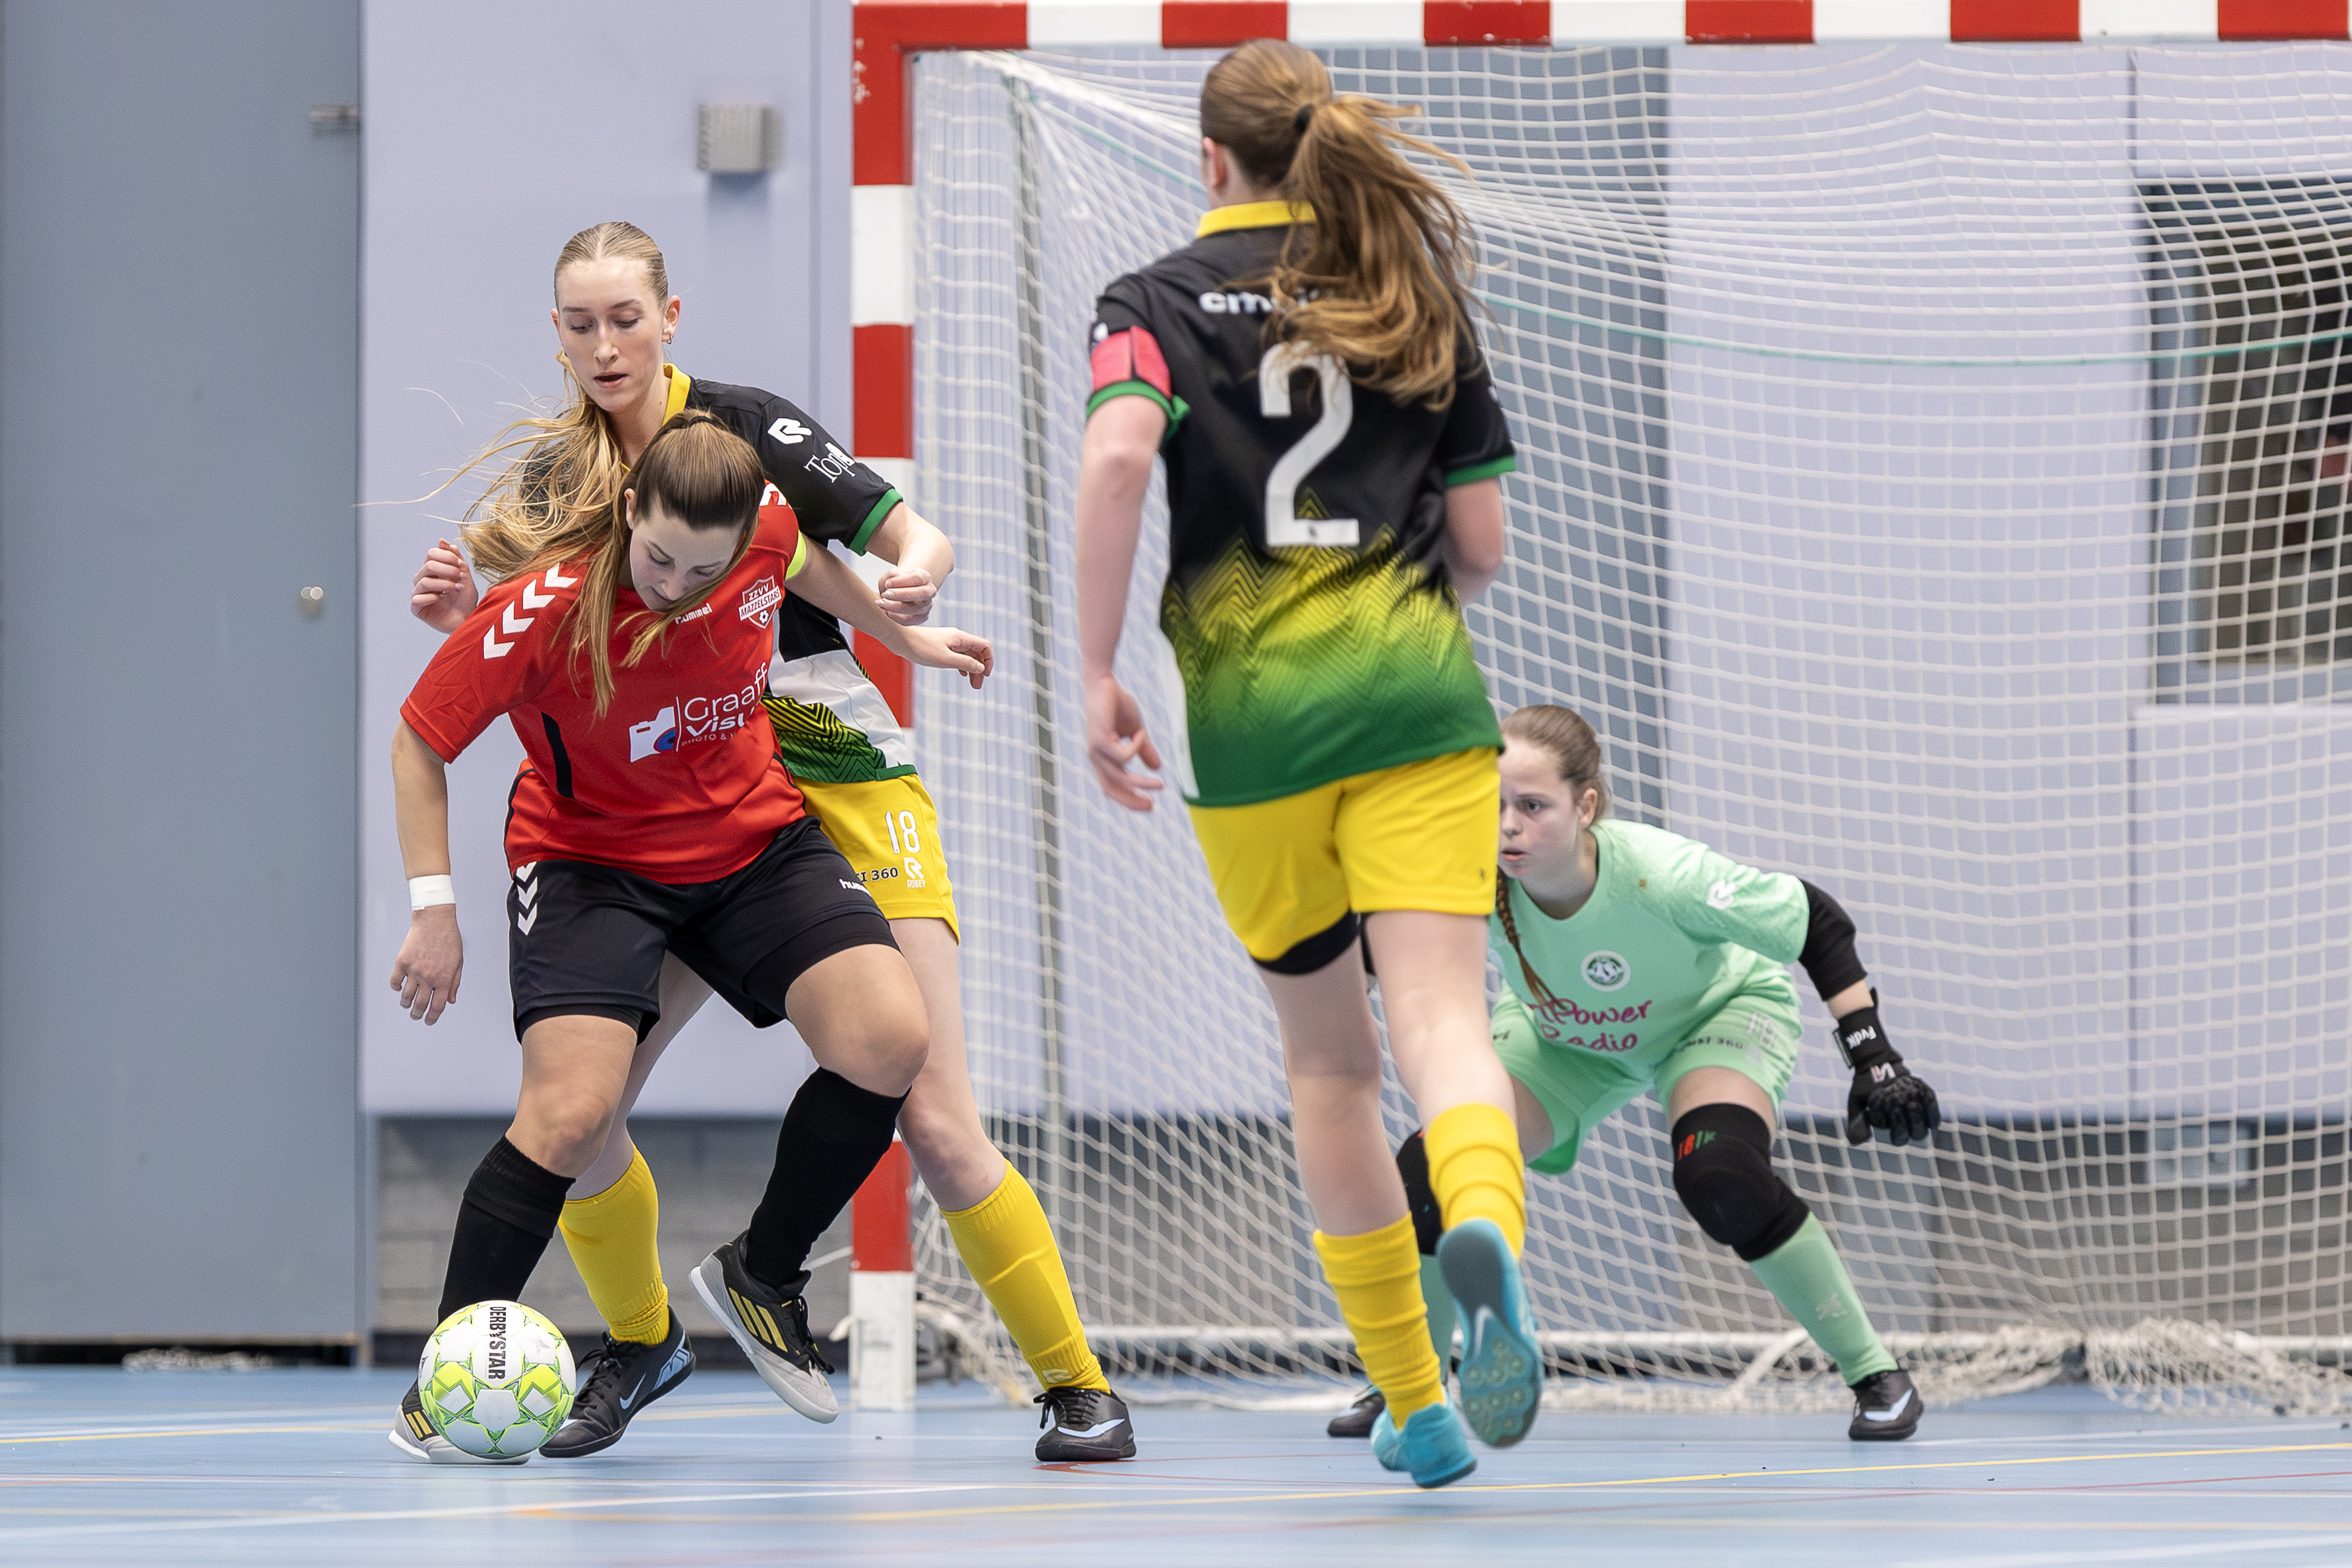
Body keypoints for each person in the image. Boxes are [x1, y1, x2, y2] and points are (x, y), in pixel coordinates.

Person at [406, 220, 1134, 1462]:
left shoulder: (750, 433)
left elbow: (893, 541)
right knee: (583, 1110)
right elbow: (480, 641)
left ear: (669, 315)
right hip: (653, 798)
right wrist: (457, 608)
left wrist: (916, 601)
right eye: (579, 325)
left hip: (818, 757)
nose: (603, 344)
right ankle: (639, 1345)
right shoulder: (554, 485)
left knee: (924, 1087)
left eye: (624, 318)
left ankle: (1068, 1380)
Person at [1071, 40, 1539, 1489]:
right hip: (1414, 711)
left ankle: (1414, 1403)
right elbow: (1480, 550)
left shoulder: (1146, 302)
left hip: (1249, 728)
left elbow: (1114, 462)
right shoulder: (1411, 294)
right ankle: (1488, 1236)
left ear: (1208, 159)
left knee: (1327, 1064)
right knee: (1444, 1028)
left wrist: (1092, 670)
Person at [386, 409, 994, 1464]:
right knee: (572, 1112)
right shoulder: (545, 608)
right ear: (630, 511)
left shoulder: (757, 527)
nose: (674, 583)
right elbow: (418, 738)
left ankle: (764, 1270)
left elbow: (811, 567)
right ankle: (442, 1382)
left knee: (892, 1037)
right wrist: (433, 908)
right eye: (659, 556)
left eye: (701, 570)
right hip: (591, 865)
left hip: (751, 841)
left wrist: (904, 636)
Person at [1329, 704, 1939, 1443]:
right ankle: (1411, 1384)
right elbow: (1380, 945)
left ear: (1586, 806)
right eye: (1491, 806)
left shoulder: (1662, 875)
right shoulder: (1470, 876)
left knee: (1721, 1178)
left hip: (1710, 1018)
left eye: (1531, 806)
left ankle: (1877, 1374)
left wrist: (1873, 1053)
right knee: (1426, 1167)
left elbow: (1815, 918)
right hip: (1564, 1038)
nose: (1507, 827)